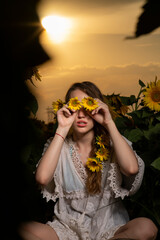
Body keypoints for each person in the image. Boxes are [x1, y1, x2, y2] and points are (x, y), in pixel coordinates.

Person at [18, 81, 158, 240]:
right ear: (67, 109)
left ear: (98, 108)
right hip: (67, 229)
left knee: (147, 227)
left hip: (110, 229)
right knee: (22, 229)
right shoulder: (59, 146)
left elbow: (131, 169)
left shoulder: (114, 143)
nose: (82, 114)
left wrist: (109, 122)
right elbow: (42, 178)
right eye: (76, 106)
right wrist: (62, 128)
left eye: (88, 106)